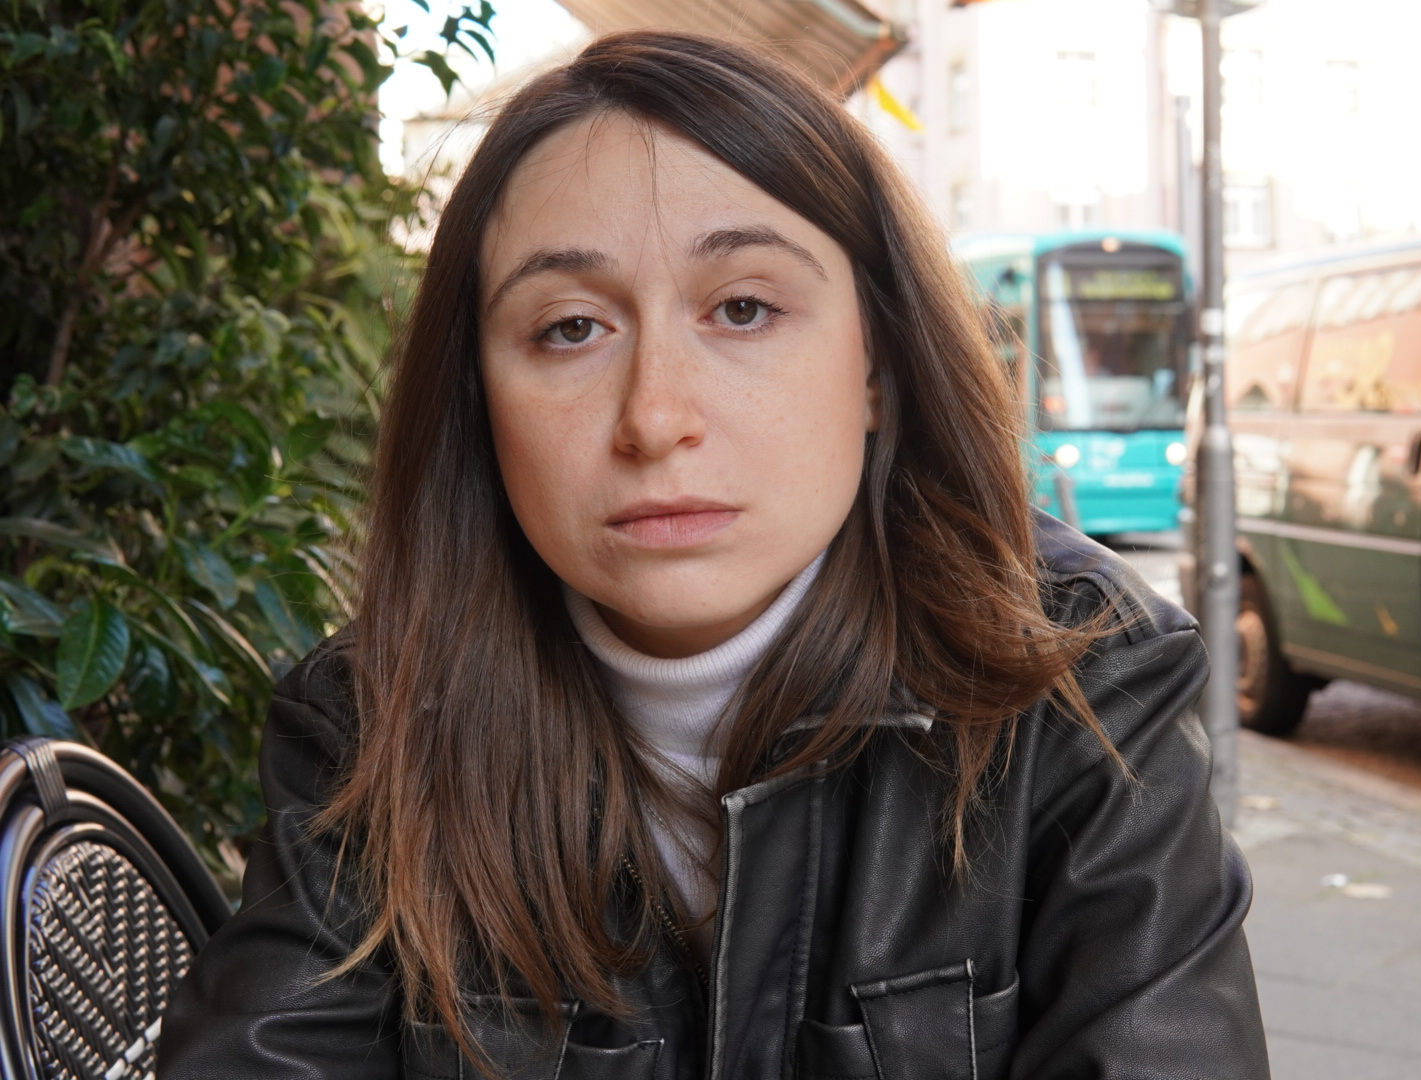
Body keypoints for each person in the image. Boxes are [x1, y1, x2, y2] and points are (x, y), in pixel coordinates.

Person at [158, 30, 1267, 1080]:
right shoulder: (368, 722)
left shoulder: (1080, 684)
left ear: (875, 367)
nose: (654, 417)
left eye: (741, 308)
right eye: (568, 329)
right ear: (476, 400)